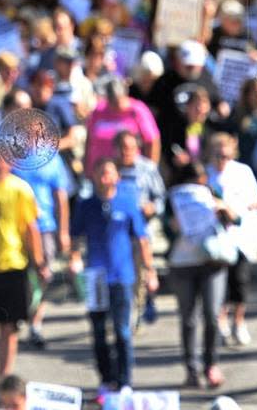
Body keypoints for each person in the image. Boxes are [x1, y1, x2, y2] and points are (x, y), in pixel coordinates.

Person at [69, 158, 158, 398]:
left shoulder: (128, 202)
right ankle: (106, 380)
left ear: (117, 176)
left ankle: (125, 381)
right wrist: (74, 257)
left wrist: (150, 271)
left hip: (122, 276)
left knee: (122, 331)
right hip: (96, 276)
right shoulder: (86, 205)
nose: (104, 177)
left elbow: (141, 239)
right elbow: (75, 236)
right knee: (98, 332)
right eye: (100, 173)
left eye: (109, 172)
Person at [0, 142, 48, 396]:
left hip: (13, 265)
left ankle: (4, 381)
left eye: (3, 159)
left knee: (8, 328)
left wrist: (38, 262)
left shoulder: (20, 189)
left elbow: (30, 228)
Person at [167, 161, 230, 390]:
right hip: (183, 263)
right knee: (189, 318)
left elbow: (236, 219)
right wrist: (171, 225)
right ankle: (191, 369)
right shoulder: (173, 198)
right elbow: (165, 225)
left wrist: (223, 208)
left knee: (212, 315)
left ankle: (211, 365)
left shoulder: (213, 193)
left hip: (212, 261)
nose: (200, 183)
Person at [11, 138, 71, 350]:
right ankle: (17, 318)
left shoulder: (51, 158)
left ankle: (35, 324)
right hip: (14, 228)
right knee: (17, 275)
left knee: (43, 275)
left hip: (45, 226)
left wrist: (63, 231)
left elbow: (61, 197)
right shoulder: (8, 154)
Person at [207, 132, 257, 348]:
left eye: (226, 156)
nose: (222, 160)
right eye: (218, 156)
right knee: (220, 281)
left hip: (240, 237)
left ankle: (239, 321)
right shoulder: (206, 174)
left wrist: (236, 210)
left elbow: (255, 201)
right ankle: (221, 322)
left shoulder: (243, 172)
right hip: (216, 238)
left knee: (240, 281)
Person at [85, 76, 162, 172]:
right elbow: (89, 140)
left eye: (118, 101)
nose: (115, 105)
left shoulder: (138, 110)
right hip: (100, 172)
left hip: (130, 172)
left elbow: (152, 140)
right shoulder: (99, 111)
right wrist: (87, 168)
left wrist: (151, 169)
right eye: (112, 102)